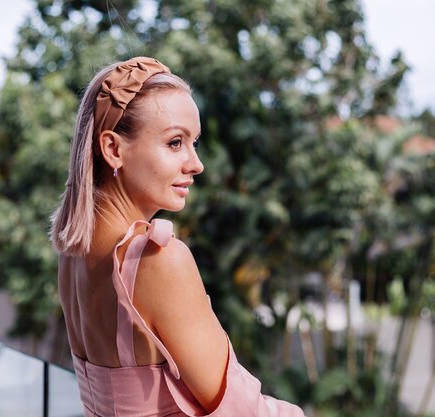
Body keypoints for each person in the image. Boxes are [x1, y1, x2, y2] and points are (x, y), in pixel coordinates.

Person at [51, 56, 305, 417]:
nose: (196, 164)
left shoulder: (74, 254)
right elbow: (243, 411)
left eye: (194, 143)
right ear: (112, 149)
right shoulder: (158, 259)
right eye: (175, 143)